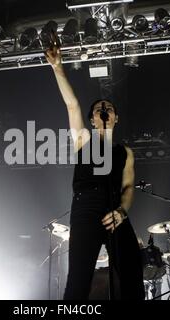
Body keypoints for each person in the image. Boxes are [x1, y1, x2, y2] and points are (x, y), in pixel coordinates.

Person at [45, 43, 145, 300]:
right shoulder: (84, 140)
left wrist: (122, 211)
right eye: (99, 108)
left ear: (115, 118)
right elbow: (72, 105)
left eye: (109, 108)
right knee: (79, 278)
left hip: (115, 209)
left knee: (133, 269)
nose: (104, 110)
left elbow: (129, 187)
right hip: (86, 206)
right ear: (92, 119)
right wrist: (58, 68)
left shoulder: (126, 152)